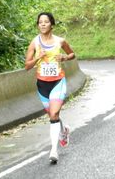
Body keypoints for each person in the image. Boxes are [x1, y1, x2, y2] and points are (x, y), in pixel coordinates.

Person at [25, 12, 75, 163]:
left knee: (54, 114)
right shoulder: (35, 42)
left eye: (46, 22)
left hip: (58, 82)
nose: (43, 24)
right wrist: (37, 58)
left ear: (51, 24)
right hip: (42, 84)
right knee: (53, 116)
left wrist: (65, 57)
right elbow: (27, 66)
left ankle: (53, 151)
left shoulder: (60, 41)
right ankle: (64, 130)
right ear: (38, 25)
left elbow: (72, 53)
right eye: (40, 22)